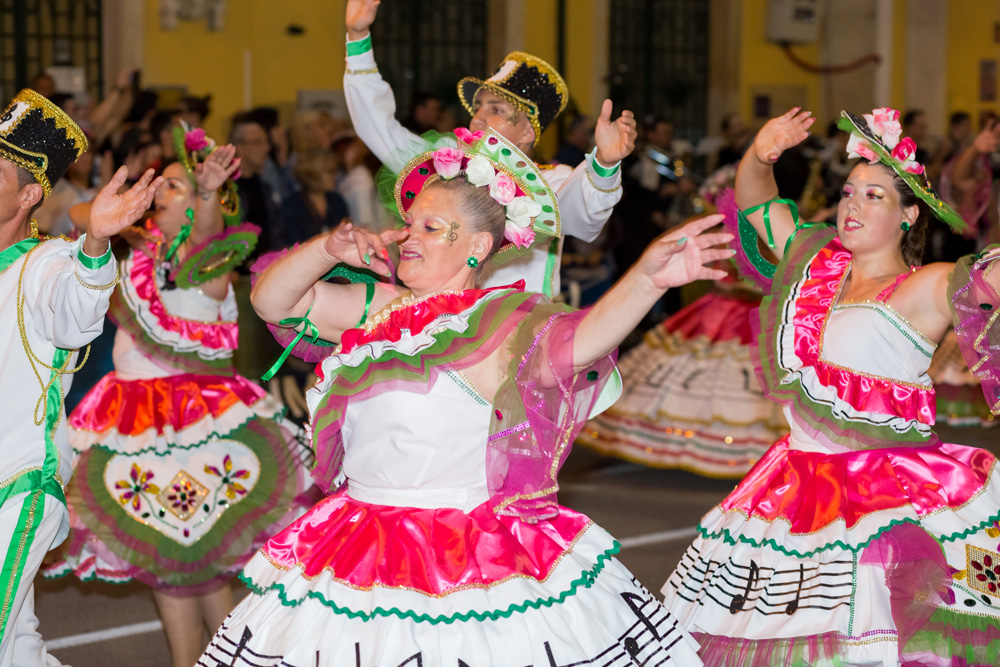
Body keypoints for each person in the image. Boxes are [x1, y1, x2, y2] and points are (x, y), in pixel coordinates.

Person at [197, 129, 732, 665]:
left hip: (466, 555)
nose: (409, 236)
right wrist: (323, 250)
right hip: (356, 542)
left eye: (432, 227)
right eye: (410, 223)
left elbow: (581, 343)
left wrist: (646, 281)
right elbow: (272, 302)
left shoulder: (502, 320)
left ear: (479, 246)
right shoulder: (375, 309)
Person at [662, 106, 1000, 665]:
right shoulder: (813, 265)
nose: (852, 205)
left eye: (875, 197)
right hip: (793, 483)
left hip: (882, 493)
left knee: (871, 638)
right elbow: (755, 202)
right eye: (849, 192)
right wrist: (761, 151)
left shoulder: (927, 285)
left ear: (909, 216)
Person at [43, 127, 312, 667]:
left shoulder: (208, 259)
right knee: (192, 567)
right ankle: (231, 658)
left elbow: (205, 234)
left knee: (179, 564)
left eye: (173, 188)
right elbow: (75, 218)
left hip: (195, 425)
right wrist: (126, 215)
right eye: (159, 185)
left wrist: (206, 192)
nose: (162, 192)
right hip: (131, 414)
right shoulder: (140, 253)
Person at [0, 88, 162, 666]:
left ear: (29, 195)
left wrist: (95, 241)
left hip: (18, 485)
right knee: (16, 647)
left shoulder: (44, 263)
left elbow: (75, 315)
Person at [343, 0, 637, 296]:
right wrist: (358, 38)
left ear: (526, 132)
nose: (478, 116)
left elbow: (585, 215)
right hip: (437, 321)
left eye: (496, 109)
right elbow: (379, 128)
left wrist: (604, 163)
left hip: (513, 333)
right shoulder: (444, 162)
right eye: (479, 106)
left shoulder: (550, 183)